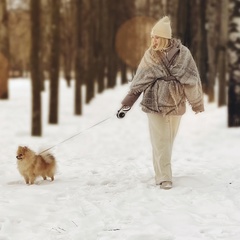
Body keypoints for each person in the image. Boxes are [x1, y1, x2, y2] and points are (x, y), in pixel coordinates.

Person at [117, 16, 204, 190]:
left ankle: (160, 172)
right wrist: (127, 103)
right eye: (152, 37)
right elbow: (139, 81)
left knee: (167, 140)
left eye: (156, 37)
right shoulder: (150, 55)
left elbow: (191, 80)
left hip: (175, 102)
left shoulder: (184, 54)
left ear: (165, 38)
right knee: (160, 140)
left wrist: (196, 103)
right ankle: (165, 177)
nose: (153, 40)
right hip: (153, 103)